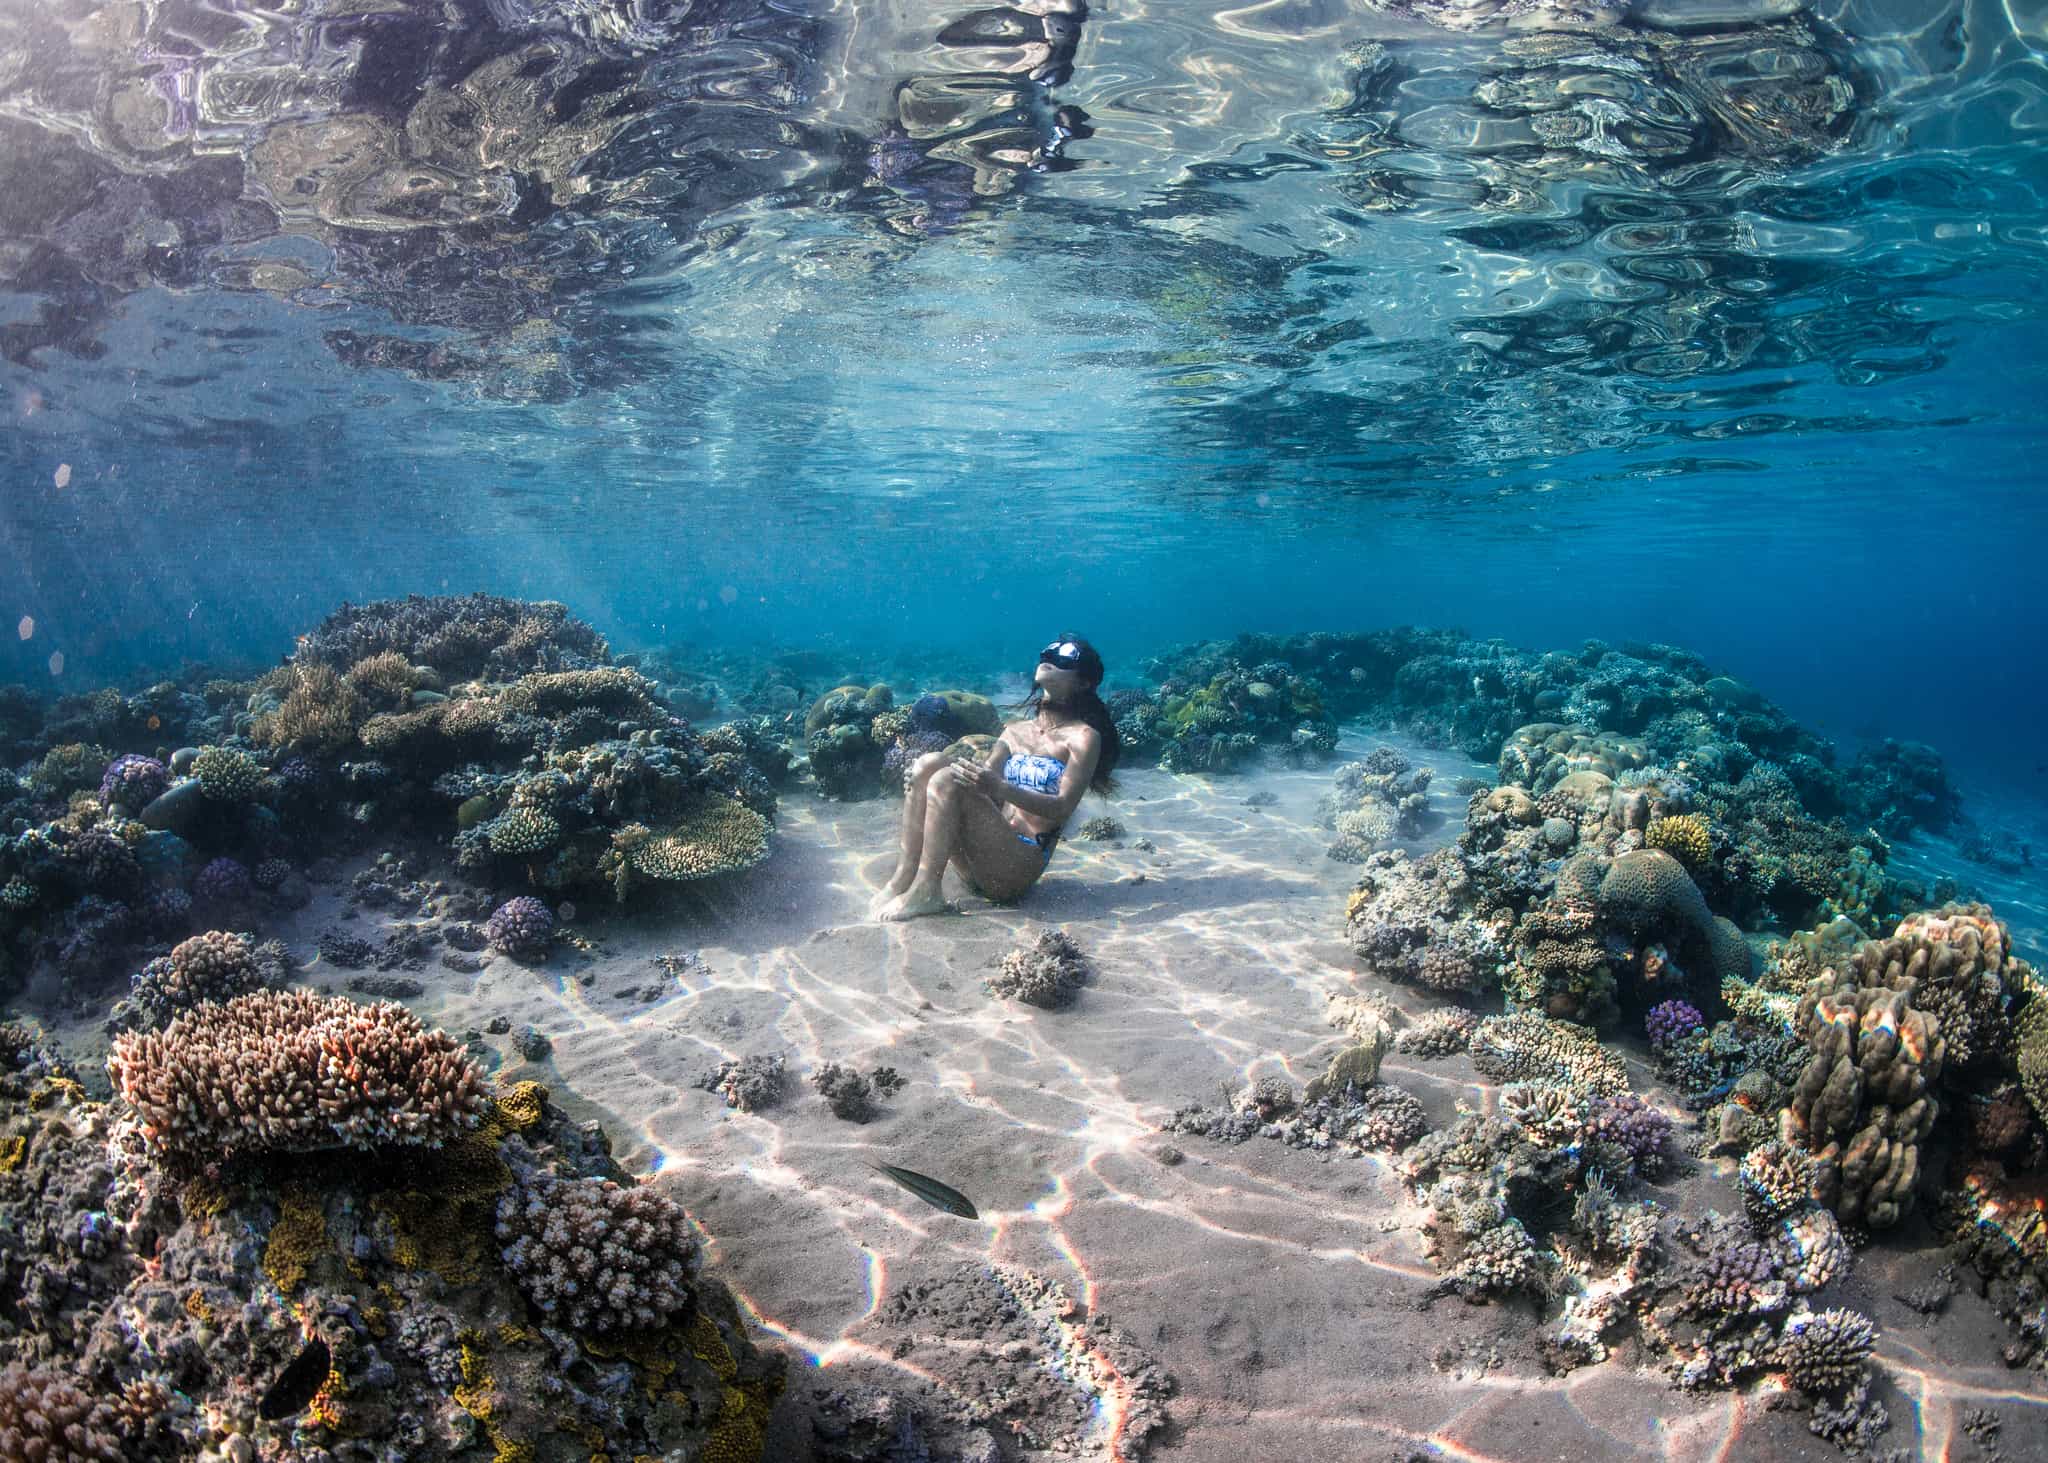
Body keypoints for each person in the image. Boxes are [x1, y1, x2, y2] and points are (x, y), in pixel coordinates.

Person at [872, 634, 1122, 921]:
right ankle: (904, 877)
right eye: (1048, 653)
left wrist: (1000, 788)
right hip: (979, 858)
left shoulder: (1084, 738)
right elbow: (982, 781)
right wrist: (921, 778)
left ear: (1084, 682)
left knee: (947, 780)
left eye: (1065, 657)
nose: (1050, 659)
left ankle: (927, 890)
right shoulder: (1015, 731)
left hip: (1017, 868)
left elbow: (1063, 806)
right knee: (931, 764)